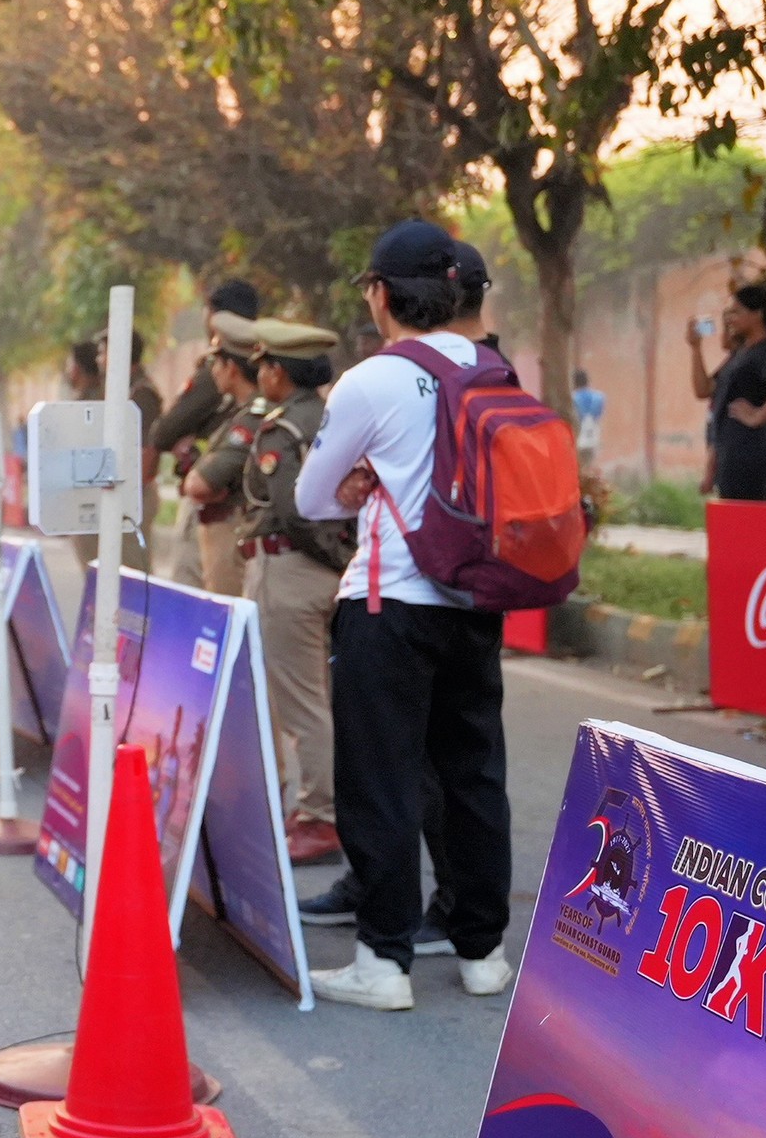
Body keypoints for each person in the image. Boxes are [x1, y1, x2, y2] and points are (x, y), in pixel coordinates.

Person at [294, 219, 515, 1011]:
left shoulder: (371, 380)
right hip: (474, 603)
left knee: (380, 781)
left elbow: (310, 498)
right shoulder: (496, 372)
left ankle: (383, 963)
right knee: (473, 778)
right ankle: (482, 952)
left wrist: (361, 484)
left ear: (382, 296)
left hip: (389, 604)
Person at [229, 317, 350, 866]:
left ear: (278, 372)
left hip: (290, 572)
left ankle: (320, 816)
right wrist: (344, 561)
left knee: (301, 705)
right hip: (326, 572)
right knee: (318, 697)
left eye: (264, 367)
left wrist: (333, 558)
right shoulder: (332, 417)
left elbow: (294, 513)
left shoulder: (282, 429)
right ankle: (321, 809)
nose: (260, 377)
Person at [150, 279, 265, 589]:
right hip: (232, 503)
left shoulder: (227, 368)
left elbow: (165, 432)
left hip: (221, 504)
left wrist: (196, 454)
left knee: (196, 591)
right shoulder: (263, 361)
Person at [176, 314, 266, 599]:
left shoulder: (253, 417)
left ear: (232, 368)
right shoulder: (236, 411)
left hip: (233, 532)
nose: (213, 371)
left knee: (228, 612)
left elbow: (199, 485)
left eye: (217, 363)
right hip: (222, 532)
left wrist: (201, 475)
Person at [690, 283, 766, 502]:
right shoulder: (740, 354)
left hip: (750, 453)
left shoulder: (765, 350)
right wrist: (695, 348)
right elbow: (704, 389)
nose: (731, 319)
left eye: (737, 312)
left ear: (757, 314)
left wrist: (759, 415)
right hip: (730, 454)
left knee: (746, 517)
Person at [64, 332, 160, 574]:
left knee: (131, 571)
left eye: (103, 353)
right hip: (113, 491)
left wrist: (129, 494)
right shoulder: (116, 390)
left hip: (131, 496)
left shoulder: (141, 393)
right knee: (100, 570)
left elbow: (147, 450)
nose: (99, 360)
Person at [571, 369, 605, 472]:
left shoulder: (573, 397)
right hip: (593, 436)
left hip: (577, 437)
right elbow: (599, 415)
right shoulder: (599, 397)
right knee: (588, 468)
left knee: (577, 469)